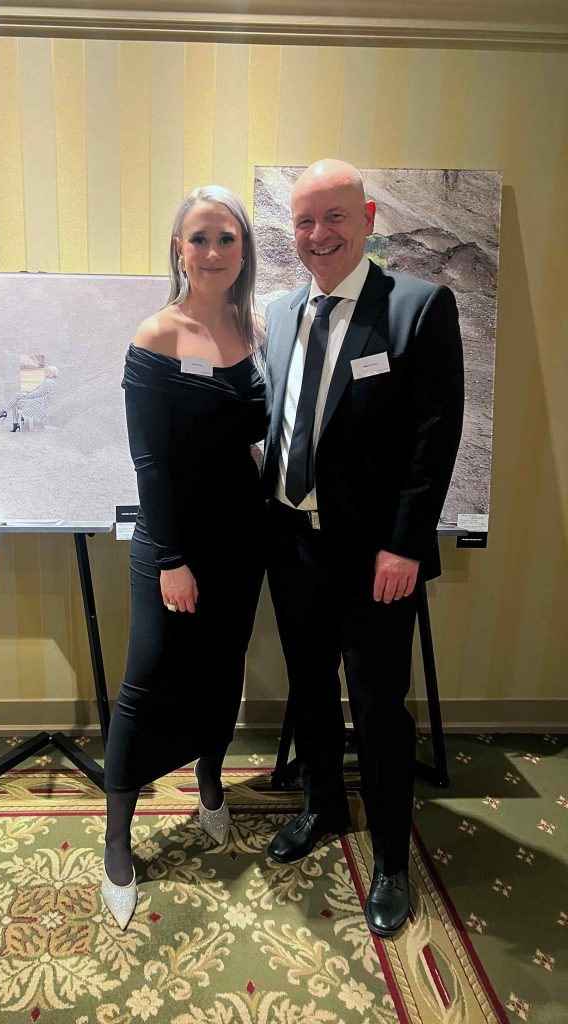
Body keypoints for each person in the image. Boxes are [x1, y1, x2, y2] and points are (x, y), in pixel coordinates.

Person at [263, 159, 464, 937]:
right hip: (292, 547)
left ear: (369, 218)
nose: (318, 234)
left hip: (378, 560)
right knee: (309, 687)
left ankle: (389, 859)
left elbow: (433, 437)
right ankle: (321, 806)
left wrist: (405, 546)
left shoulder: (416, 307)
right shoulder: (282, 311)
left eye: (334, 217)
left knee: (379, 708)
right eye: (304, 221)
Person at [101, 186, 266, 930]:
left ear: (243, 249)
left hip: (243, 540)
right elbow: (149, 462)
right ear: (178, 248)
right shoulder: (156, 334)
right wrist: (170, 558)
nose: (212, 251)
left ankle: (210, 784)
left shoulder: (253, 329)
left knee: (224, 668)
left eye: (226, 238)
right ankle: (117, 840)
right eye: (199, 238)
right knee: (146, 681)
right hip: (172, 543)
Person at [0, 364, 59, 431]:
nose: (45, 372)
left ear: (50, 372)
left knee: (16, 396)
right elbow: (38, 390)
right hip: (39, 402)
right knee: (15, 401)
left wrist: (27, 395)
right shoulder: (51, 382)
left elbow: (38, 394)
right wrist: (29, 392)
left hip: (38, 403)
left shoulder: (48, 382)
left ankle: (6, 415)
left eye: (47, 371)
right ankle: (14, 423)